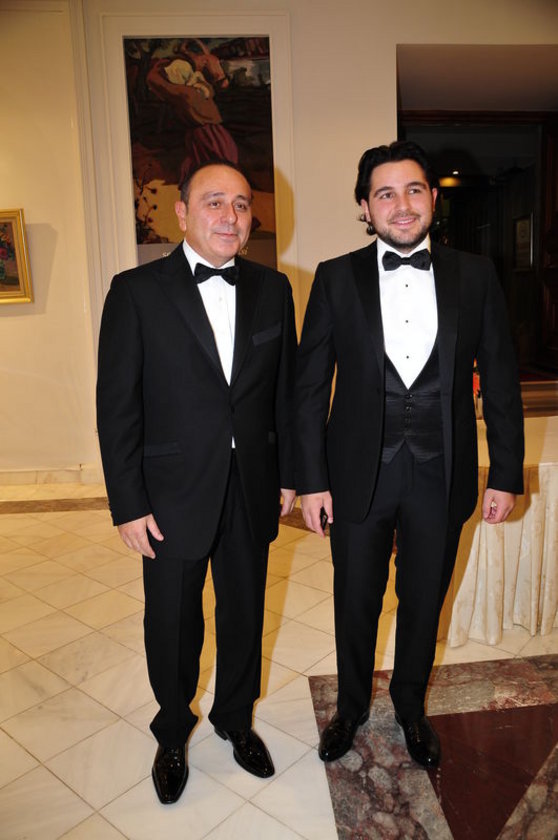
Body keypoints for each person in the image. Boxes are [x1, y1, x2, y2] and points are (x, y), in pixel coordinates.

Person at [295, 141, 524, 769]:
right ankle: (349, 707)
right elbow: (309, 388)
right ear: (365, 206)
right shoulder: (335, 277)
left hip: (440, 470)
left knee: (425, 599)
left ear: (433, 199)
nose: (402, 205)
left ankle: (409, 707)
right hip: (356, 473)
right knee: (356, 598)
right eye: (386, 193)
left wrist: (504, 473)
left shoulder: (475, 275)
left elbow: (500, 379)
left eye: (414, 189)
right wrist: (311, 480)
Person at [96, 160, 296, 804]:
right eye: (214, 202)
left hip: (251, 485)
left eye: (240, 204)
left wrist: (289, 474)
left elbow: (286, 394)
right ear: (181, 212)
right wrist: (128, 503)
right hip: (170, 492)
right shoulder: (135, 292)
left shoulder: (274, 289)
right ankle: (173, 730)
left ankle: (235, 719)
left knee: (245, 613)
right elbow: (117, 407)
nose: (230, 216)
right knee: (173, 622)